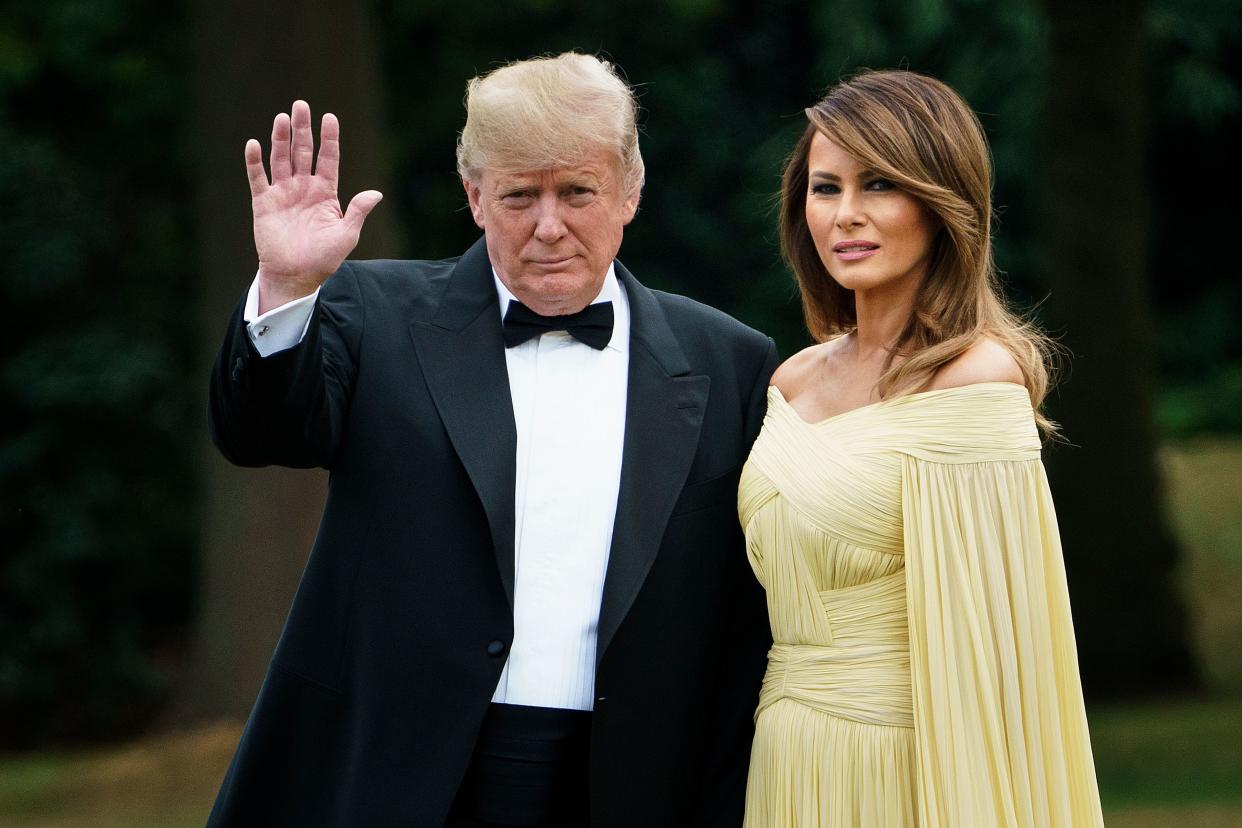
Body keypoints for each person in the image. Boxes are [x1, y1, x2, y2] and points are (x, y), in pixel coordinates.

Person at [206, 53, 777, 827]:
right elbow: (260, 432)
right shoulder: (373, 312)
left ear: (630, 193)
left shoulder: (730, 361)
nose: (550, 226)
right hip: (406, 771)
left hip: (634, 777)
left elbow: (744, 605)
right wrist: (287, 292)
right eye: (519, 195)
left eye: (578, 192)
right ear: (476, 197)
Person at [739, 70, 1105, 826]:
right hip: (785, 754)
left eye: (877, 185)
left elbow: (1000, 659)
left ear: (941, 203)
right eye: (824, 187)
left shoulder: (975, 382)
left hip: (910, 768)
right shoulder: (793, 380)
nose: (845, 215)